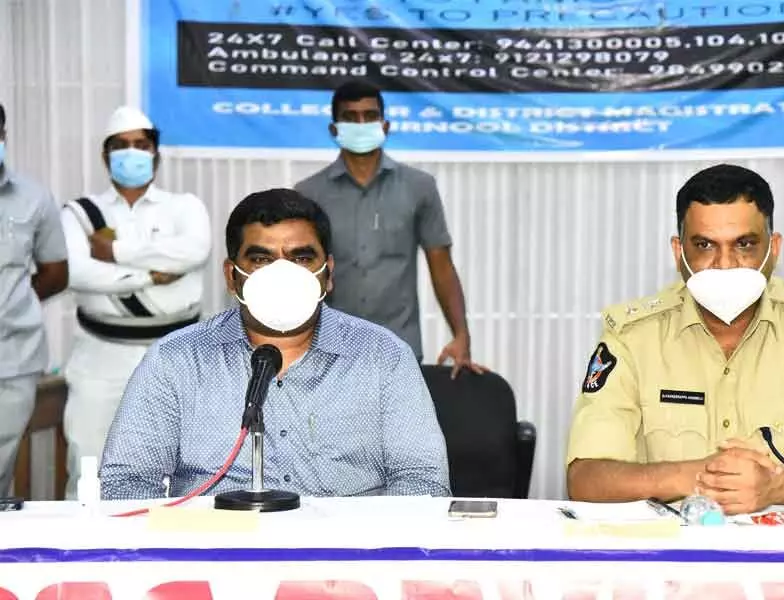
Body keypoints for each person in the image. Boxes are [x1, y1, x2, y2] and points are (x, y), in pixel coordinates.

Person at [565, 164, 784, 515]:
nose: (725, 264)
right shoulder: (631, 335)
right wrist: (703, 476)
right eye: (704, 246)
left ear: (774, 248)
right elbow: (586, 479)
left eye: (744, 244)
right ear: (678, 251)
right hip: (668, 555)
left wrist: (778, 484)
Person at [99, 188, 450, 500]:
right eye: (261, 259)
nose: (282, 274)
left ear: (327, 273)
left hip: (342, 560)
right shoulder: (176, 359)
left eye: (300, 258)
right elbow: (125, 483)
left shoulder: (383, 356)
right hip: (218, 556)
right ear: (232, 276)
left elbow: (423, 482)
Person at [60, 106, 211, 498]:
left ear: (156, 154)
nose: (132, 153)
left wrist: (116, 251)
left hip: (176, 353)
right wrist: (151, 274)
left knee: (182, 464)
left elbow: (194, 251)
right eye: (122, 146)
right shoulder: (79, 214)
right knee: (87, 462)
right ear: (105, 155)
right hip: (100, 356)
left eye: (141, 145)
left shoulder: (185, 206)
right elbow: (77, 272)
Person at [295, 81, 483, 378]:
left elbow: (442, 267)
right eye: (351, 117)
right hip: (329, 350)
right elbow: (299, 276)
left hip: (400, 349)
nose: (361, 124)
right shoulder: (308, 195)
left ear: (385, 125)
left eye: (369, 116)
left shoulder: (419, 187)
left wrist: (462, 336)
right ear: (334, 129)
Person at [0, 102, 69, 495]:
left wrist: (13, 301)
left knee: (2, 464)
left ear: (4, 136)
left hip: (15, 356)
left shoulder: (33, 197)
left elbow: (56, 273)